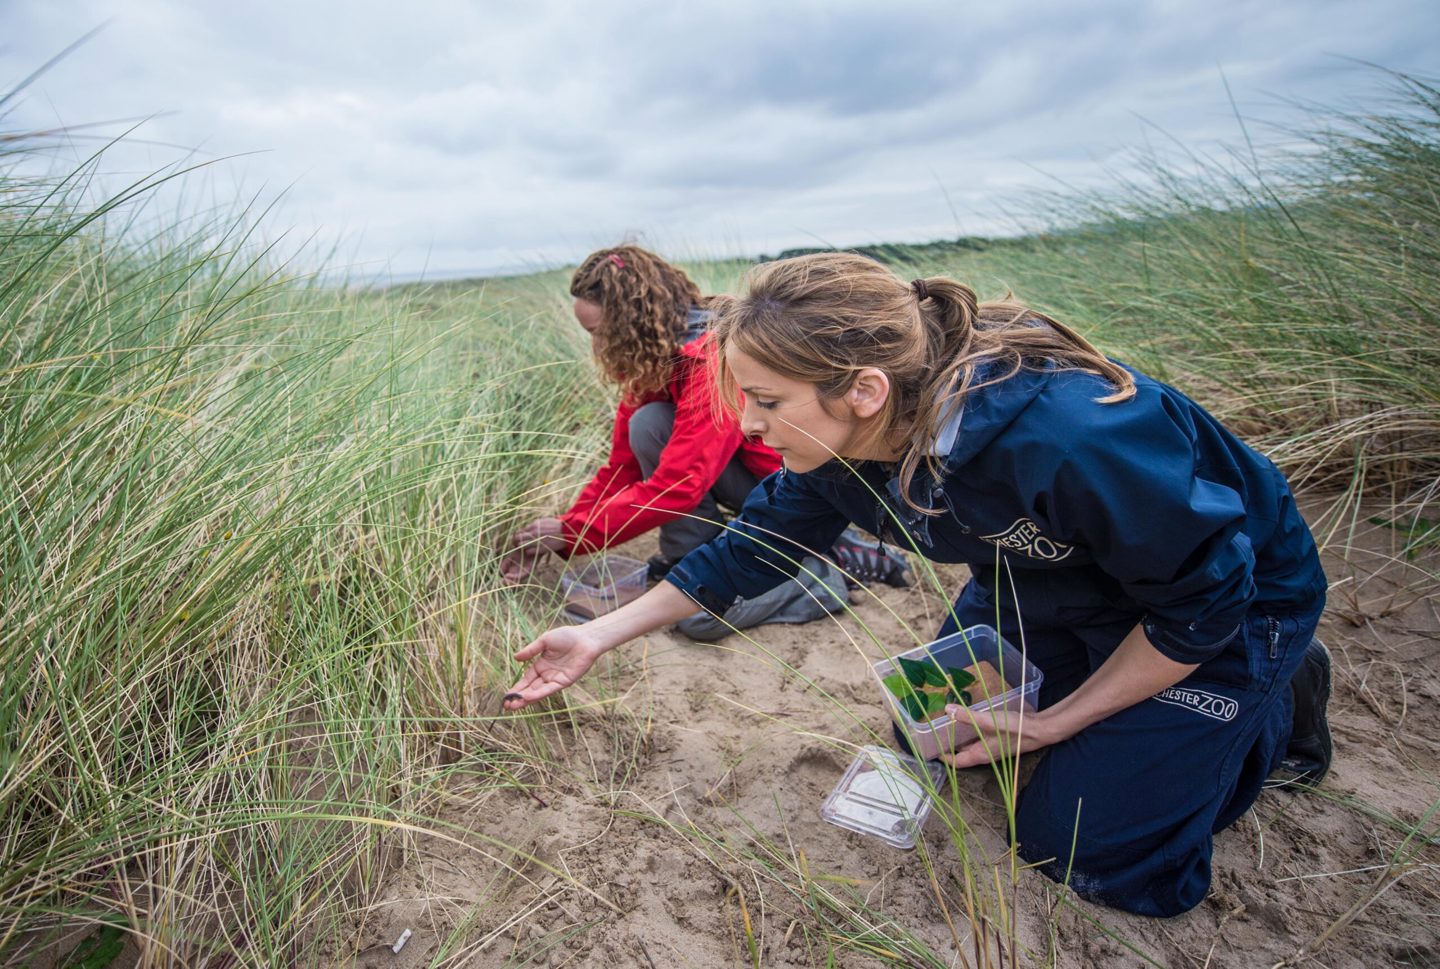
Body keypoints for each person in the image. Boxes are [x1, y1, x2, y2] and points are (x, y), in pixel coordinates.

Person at [502, 252, 1334, 918]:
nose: (747, 425)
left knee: (1085, 849)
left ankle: (1277, 689)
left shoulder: (1072, 433)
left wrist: (1053, 722)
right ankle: (1133, 692)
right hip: (1041, 578)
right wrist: (598, 635)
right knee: (929, 733)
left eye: (763, 400)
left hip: (1223, 603)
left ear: (863, 390)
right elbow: (748, 549)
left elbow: (1203, 597)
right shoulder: (838, 448)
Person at [499, 246, 899, 635]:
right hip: (751, 485)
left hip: (787, 488)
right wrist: (566, 528)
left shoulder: (711, 355)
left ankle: (822, 572)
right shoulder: (653, 359)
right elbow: (621, 468)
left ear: (628, 322)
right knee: (649, 422)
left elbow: (679, 487)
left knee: (698, 617)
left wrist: (572, 534)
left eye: (599, 332)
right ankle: (698, 561)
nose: (597, 347)